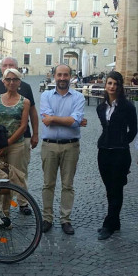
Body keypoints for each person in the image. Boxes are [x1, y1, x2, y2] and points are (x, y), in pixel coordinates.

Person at [0, 56, 39, 215]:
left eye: (11, 65)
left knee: (20, 172)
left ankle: (22, 202)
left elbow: (32, 112)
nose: (11, 81)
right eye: (5, 65)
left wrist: (35, 133)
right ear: (2, 74)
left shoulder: (26, 88)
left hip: (21, 138)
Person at [40, 64, 86, 235]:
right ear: (54, 76)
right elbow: (47, 119)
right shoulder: (45, 95)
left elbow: (75, 121)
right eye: (59, 75)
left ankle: (65, 219)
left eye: (65, 75)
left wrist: (54, 118)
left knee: (68, 185)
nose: (62, 78)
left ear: (71, 77)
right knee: (48, 184)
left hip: (71, 146)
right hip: (49, 145)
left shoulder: (79, 97)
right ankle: (47, 218)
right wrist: (68, 120)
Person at [0, 68, 30, 229]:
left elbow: (23, 126)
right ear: (3, 81)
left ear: (19, 82)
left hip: (16, 146)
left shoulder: (24, 101)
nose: (11, 82)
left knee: (10, 182)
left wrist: (7, 143)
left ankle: (5, 216)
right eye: (8, 79)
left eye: (15, 79)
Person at [96, 71, 137, 240]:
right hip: (103, 151)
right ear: (106, 85)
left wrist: (122, 143)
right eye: (110, 83)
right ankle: (116, 221)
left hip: (120, 153)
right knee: (109, 188)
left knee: (116, 188)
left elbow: (133, 130)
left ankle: (109, 224)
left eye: (116, 84)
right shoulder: (101, 107)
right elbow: (105, 128)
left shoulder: (128, 107)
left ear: (120, 86)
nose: (112, 87)